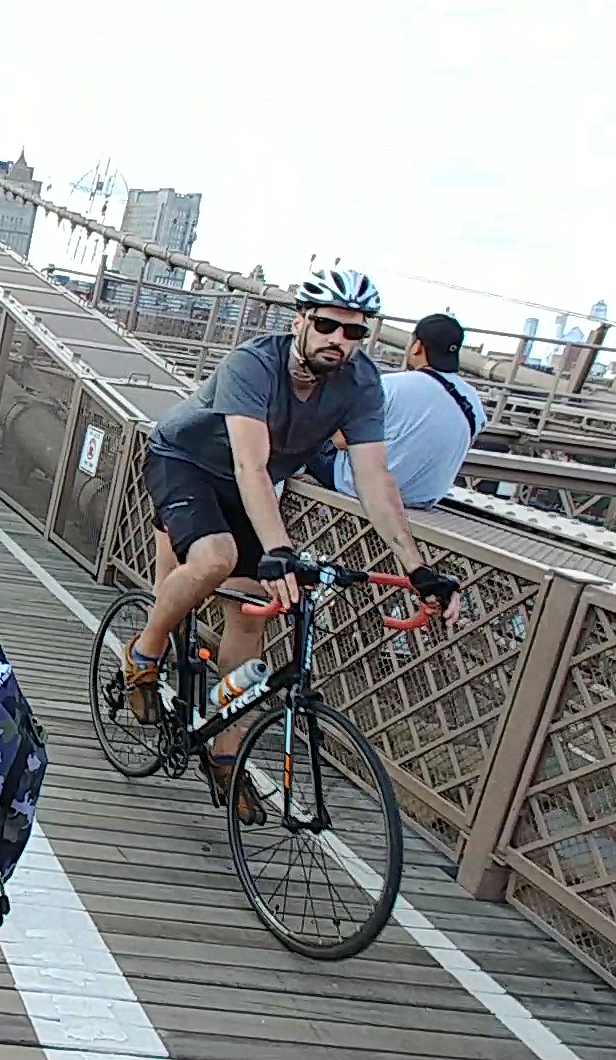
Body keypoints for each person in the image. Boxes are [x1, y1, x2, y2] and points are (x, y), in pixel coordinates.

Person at [122, 268, 463, 821]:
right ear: (300, 321)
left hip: (247, 483)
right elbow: (250, 463)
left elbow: (376, 480)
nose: (340, 340)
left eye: (355, 332)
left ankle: (225, 756)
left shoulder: (362, 385)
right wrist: (278, 548)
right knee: (217, 559)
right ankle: (143, 653)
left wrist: (419, 569)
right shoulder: (252, 365)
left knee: (253, 615)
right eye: (328, 325)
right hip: (186, 464)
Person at [306, 313, 488, 510]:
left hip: (358, 488)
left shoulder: (389, 386)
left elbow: (341, 441)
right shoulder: (474, 403)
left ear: (418, 346)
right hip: (421, 499)